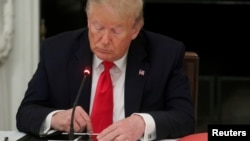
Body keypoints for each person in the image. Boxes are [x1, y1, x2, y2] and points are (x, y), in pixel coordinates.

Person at [16, 0, 195, 140]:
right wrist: (55, 118)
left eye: (116, 31)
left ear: (135, 29)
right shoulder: (56, 51)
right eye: (98, 27)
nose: (104, 40)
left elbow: (185, 118)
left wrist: (142, 123)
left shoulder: (166, 54)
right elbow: (25, 113)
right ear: (88, 20)